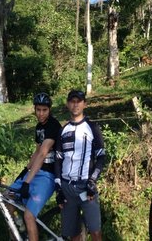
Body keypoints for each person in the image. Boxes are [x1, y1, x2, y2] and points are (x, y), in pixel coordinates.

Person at [8, 92, 62, 241]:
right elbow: (37, 151)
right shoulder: (39, 127)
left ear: (49, 110)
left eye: (44, 110)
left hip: (48, 175)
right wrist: (24, 170)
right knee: (8, 200)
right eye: (38, 110)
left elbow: (43, 153)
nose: (41, 113)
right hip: (36, 172)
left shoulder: (53, 125)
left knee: (29, 215)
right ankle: (19, 231)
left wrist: (26, 182)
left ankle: (27, 226)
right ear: (34, 109)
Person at [54, 90, 107, 241]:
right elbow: (58, 159)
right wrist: (58, 187)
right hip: (67, 188)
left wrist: (92, 181)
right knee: (73, 233)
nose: (75, 104)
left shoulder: (92, 128)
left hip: (86, 188)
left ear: (85, 104)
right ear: (67, 104)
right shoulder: (63, 130)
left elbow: (101, 157)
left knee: (95, 231)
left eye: (79, 101)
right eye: (72, 101)